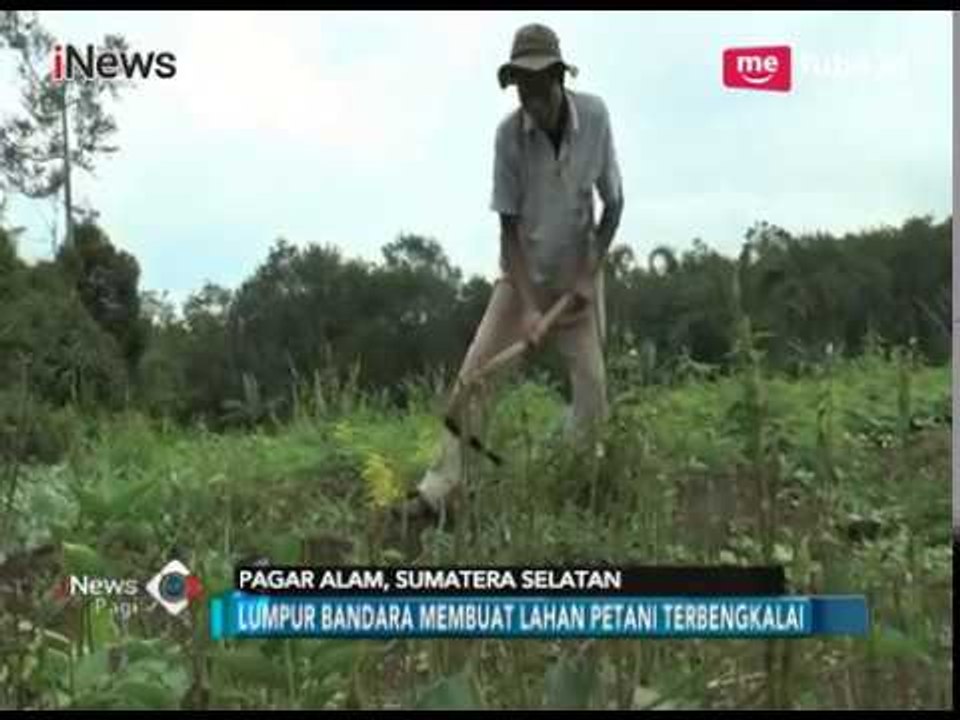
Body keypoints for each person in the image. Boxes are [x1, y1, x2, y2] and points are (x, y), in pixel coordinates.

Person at [391, 22, 625, 534]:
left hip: (579, 286)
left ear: (560, 78)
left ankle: (564, 478)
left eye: (540, 84)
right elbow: (509, 233)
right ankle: (438, 493)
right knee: (474, 376)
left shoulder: (596, 116)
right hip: (522, 281)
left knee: (593, 398)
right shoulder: (508, 138)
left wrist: (588, 275)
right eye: (522, 85)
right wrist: (531, 307)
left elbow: (614, 204)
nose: (532, 97)